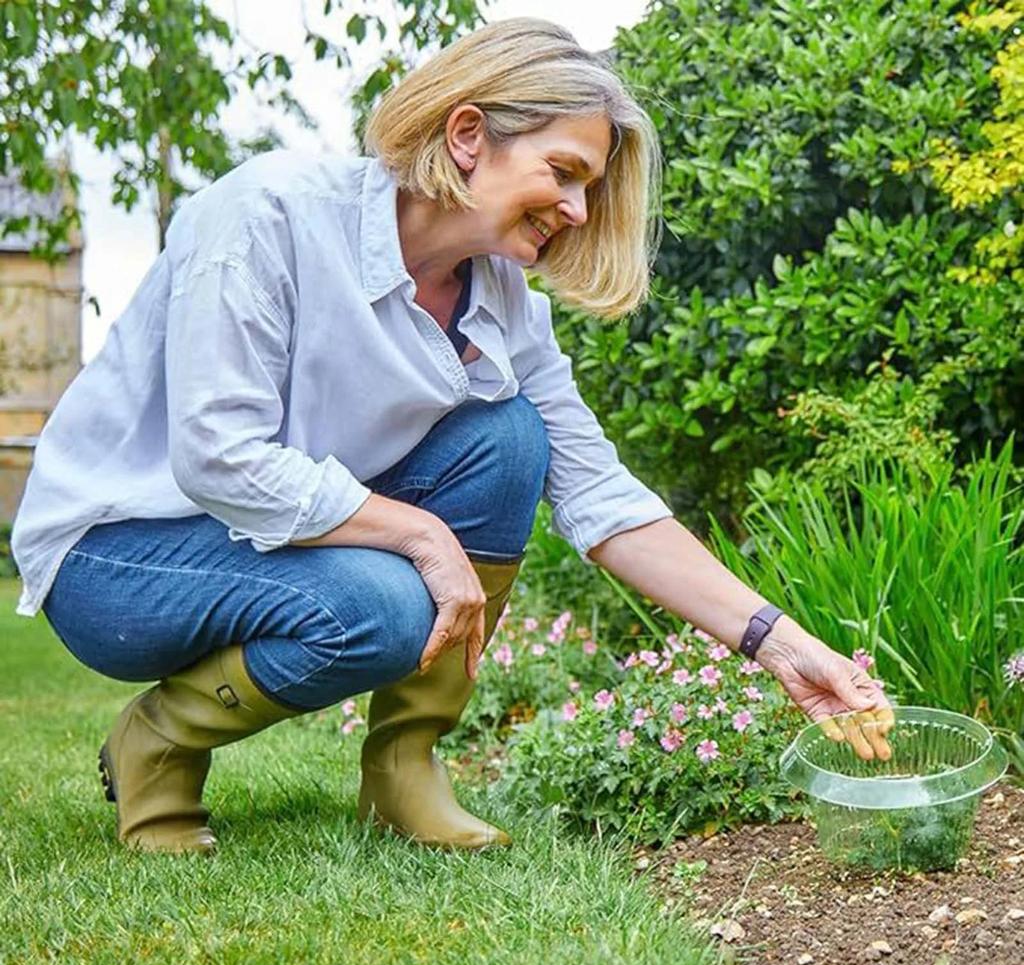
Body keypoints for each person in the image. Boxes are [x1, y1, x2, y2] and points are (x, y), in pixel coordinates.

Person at [11, 18, 892, 857]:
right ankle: (157, 747)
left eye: (590, 188)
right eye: (565, 171)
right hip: (118, 555)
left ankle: (403, 766)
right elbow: (217, 456)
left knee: (509, 441)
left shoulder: (503, 309)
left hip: (254, 544)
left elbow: (603, 500)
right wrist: (419, 533)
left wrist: (783, 645)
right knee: (386, 605)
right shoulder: (267, 217)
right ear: (468, 133)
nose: (580, 210)